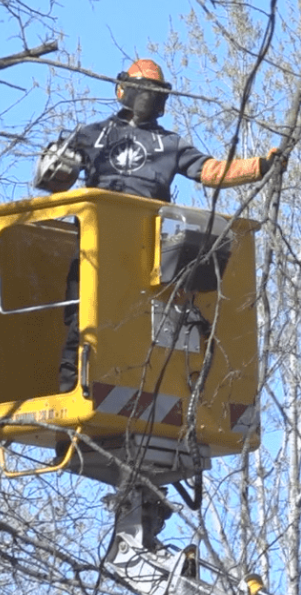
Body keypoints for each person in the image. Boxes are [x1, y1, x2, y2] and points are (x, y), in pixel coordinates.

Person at [36, 59, 284, 391]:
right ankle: (78, 387)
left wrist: (259, 166)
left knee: (102, 321)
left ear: (122, 90)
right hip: (106, 249)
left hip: (133, 252)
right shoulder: (95, 137)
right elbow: (53, 179)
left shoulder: (117, 138)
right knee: (88, 319)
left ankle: (98, 386)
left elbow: (209, 171)